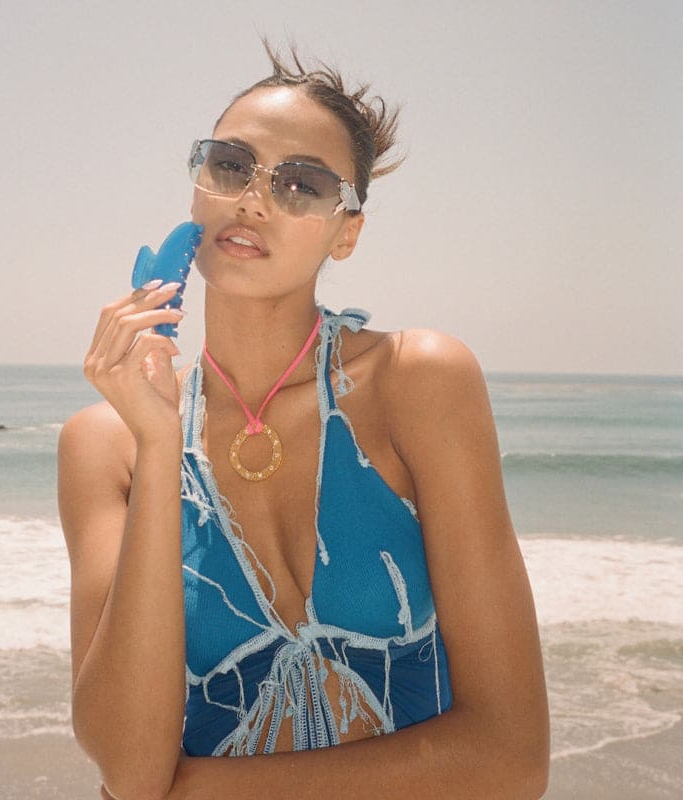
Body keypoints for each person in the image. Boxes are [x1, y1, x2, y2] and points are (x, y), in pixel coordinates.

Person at [58, 43, 550, 800]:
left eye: (302, 184)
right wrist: (160, 445)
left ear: (345, 232)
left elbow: (512, 760)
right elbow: (129, 768)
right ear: (198, 192)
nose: (254, 199)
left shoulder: (417, 384)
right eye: (231, 165)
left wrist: (202, 792)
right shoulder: (108, 445)